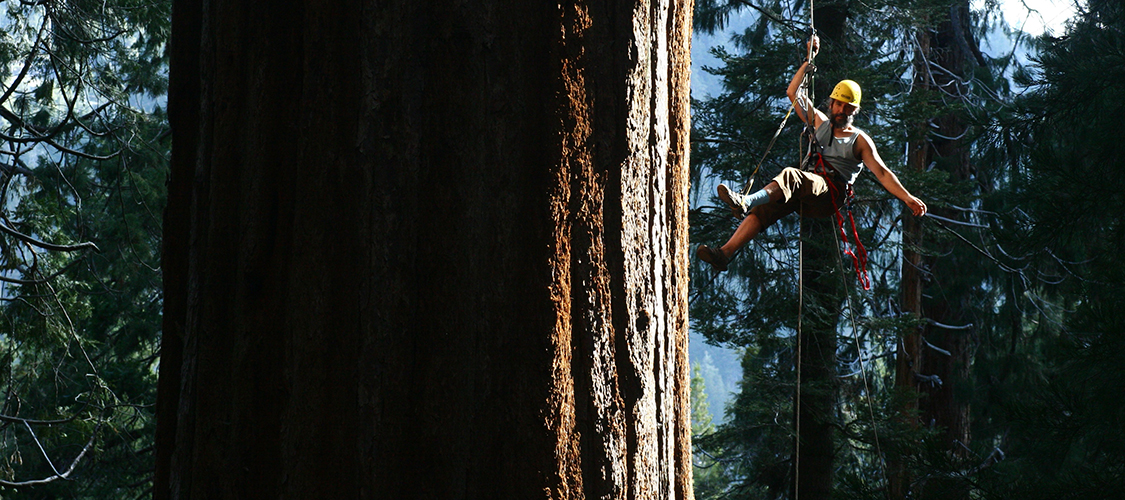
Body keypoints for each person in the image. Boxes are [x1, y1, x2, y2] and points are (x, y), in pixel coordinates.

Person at [697, 35, 927, 272]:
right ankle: (724, 253)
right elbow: (793, 92)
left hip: (829, 194)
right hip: (805, 190)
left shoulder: (859, 141)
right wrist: (809, 60)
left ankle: (744, 200)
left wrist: (907, 198)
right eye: (838, 104)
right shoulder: (820, 122)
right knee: (763, 211)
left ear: (855, 111)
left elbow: (882, 172)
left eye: (847, 107)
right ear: (831, 103)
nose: (841, 110)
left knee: (791, 176)